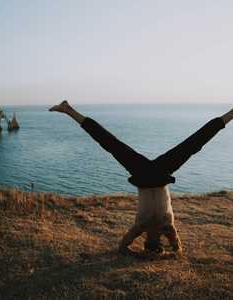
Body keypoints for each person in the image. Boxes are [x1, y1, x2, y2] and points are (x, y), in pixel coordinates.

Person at [49, 100, 233, 254]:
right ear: (161, 242)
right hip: (161, 173)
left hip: (142, 173)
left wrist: (138, 256)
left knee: (109, 142)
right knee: (195, 142)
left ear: (145, 241)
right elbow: (178, 250)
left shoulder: (140, 227)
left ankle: (68, 110)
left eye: (150, 245)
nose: (153, 242)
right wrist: (166, 256)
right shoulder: (167, 228)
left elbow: (122, 247)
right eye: (157, 245)